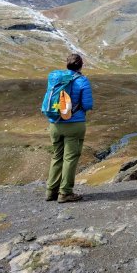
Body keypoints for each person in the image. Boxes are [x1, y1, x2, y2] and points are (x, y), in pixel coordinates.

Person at [45, 53, 94, 203]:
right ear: (80, 65)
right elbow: (87, 105)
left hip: (55, 123)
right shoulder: (82, 81)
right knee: (70, 158)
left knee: (57, 157)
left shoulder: (56, 79)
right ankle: (65, 193)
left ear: (67, 64)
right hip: (75, 124)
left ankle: (50, 192)